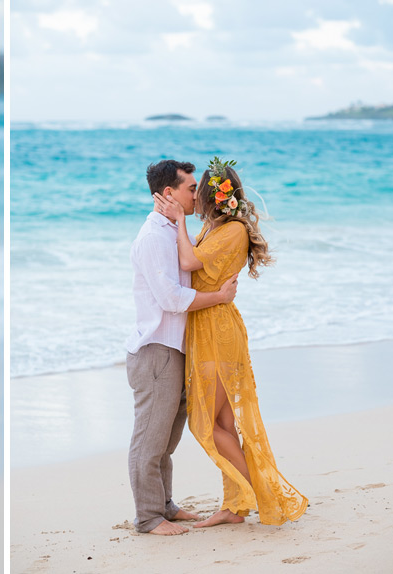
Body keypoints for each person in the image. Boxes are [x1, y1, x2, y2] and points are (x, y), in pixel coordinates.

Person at [155, 157, 308, 527]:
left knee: (205, 425)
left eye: (198, 191)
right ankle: (234, 507)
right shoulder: (216, 227)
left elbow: (190, 263)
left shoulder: (233, 230)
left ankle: (262, 492)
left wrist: (178, 222)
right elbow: (194, 260)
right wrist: (183, 224)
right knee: (222, 421)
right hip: (205, 324)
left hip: (218, 330)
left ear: (213, 196)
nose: (196, 199)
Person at [125, 159, 238, 535]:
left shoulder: (173, 230)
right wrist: (219, 298)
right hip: (156, 350)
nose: (198, 194)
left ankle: (166, 505)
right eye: (191, 188)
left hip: (178, 349)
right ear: (169, 193)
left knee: (167, 440)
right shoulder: (154, 237)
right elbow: (172, 298)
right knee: (150, 439)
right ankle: (149, 517)